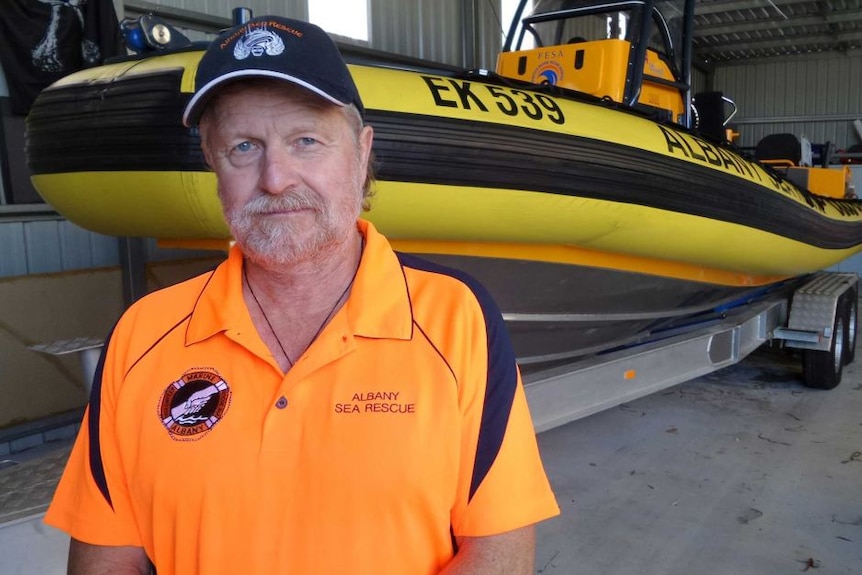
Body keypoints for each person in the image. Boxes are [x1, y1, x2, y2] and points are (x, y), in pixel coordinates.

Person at [45, 15, 559, 574]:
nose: (275, 177)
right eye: (244, 146)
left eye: (306, 141)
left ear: (361, 155)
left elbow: (499, 553)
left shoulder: (457, 319)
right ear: (215, 166)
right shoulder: (142, 335)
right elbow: (106, 558)